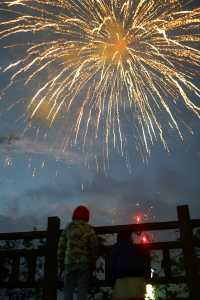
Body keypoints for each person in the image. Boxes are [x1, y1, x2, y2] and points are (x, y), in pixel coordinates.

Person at [57, 205, 98, 300]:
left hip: (69, 263)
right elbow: (94, 246)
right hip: (84, 263)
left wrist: (61, 261)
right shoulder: (89, 229)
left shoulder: (68, 228)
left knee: (68, 289)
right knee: (82, 290)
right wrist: (93, 260)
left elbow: (61, 246)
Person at [111, 231, 150, 300]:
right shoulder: (137, 249)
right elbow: (145, 266)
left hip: (120, 285)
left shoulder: (114, 249)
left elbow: (111, 268)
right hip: (137, 284)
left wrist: (112, 282)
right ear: (130, 238)